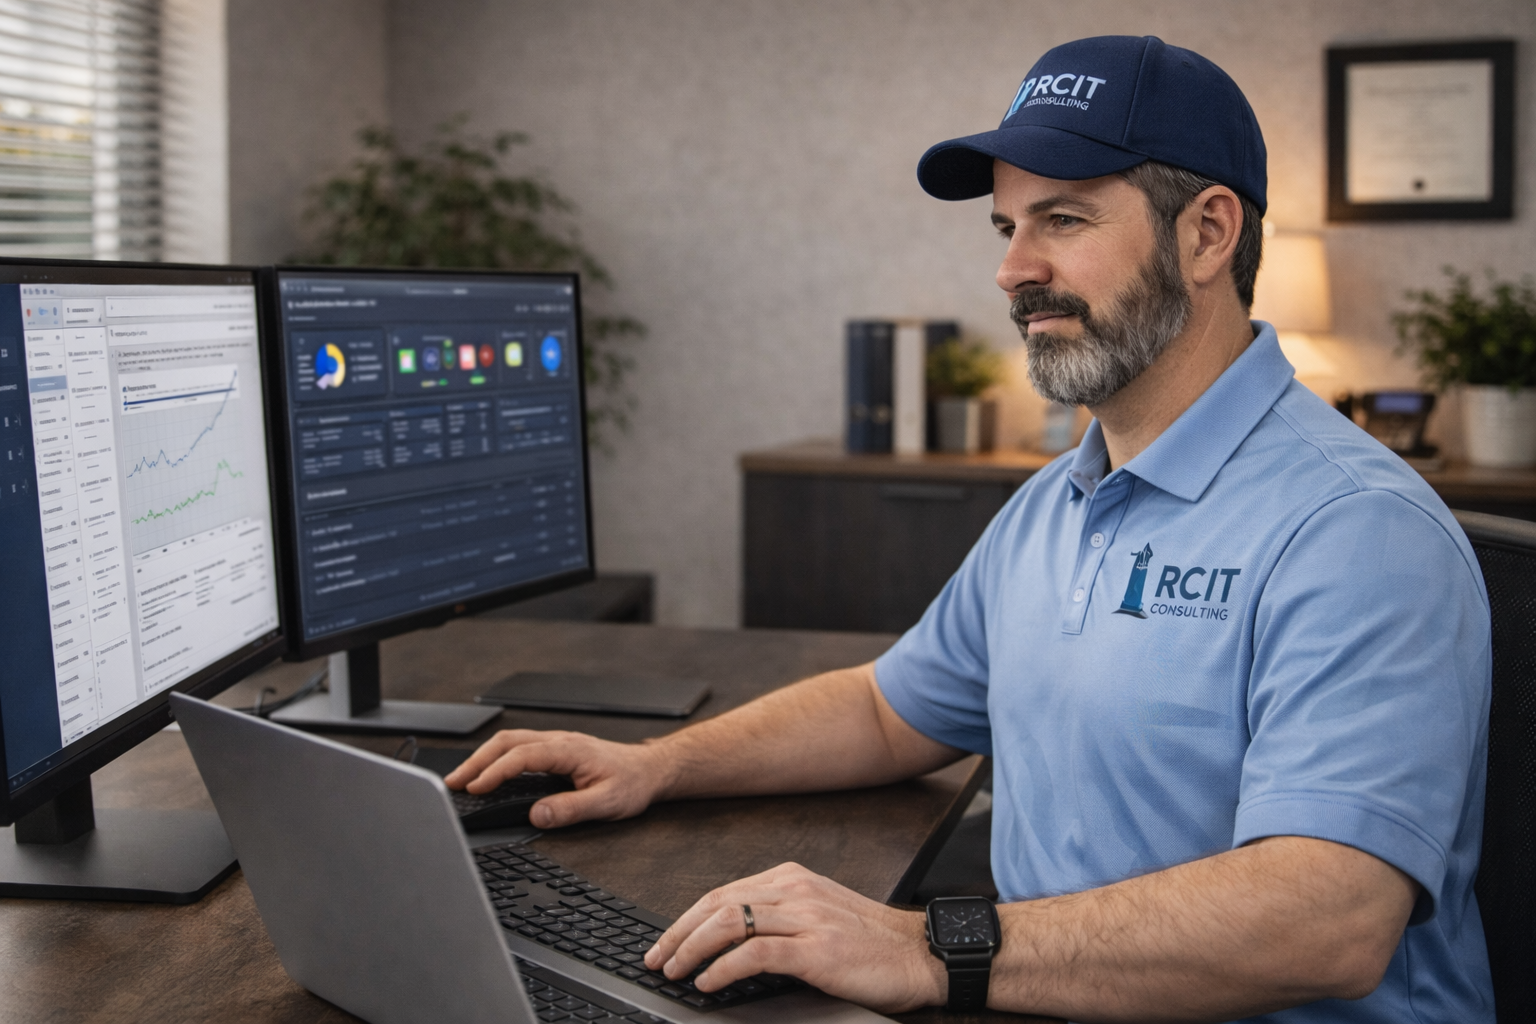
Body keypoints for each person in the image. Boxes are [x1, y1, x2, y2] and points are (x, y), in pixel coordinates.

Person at [448, 35, 1493, 1022]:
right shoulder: (1056, 501)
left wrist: (926, 947)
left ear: (1209, 233)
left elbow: (1330, 920)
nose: (1012, 269)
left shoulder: (1357, 530)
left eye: (1065, 221)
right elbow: (887, 711)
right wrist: (658, 766)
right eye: (1007, 227)